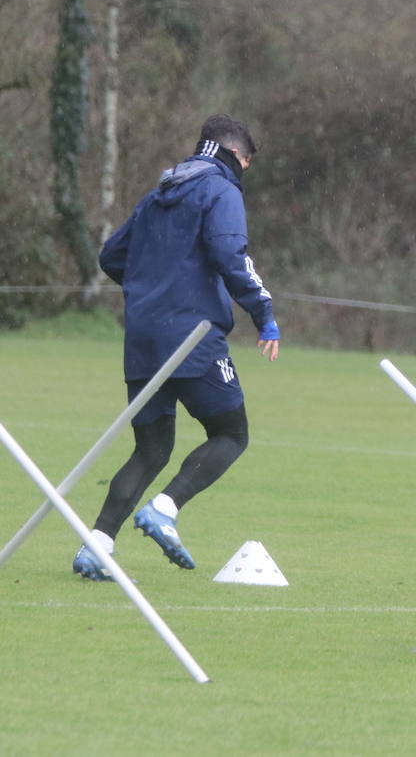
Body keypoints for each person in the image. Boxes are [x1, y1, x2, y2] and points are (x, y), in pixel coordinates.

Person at [72, 114, 280, 580]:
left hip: (143, 337)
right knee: (231, 434)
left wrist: (153, 292)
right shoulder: (222, 191)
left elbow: (111, 255)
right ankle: (164, 509)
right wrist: (264, 316)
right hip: (191, 336)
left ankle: (96, 547)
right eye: (248, 162)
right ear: (236, 156)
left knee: (151, 448)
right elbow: (231, 255)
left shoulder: (159, 193)